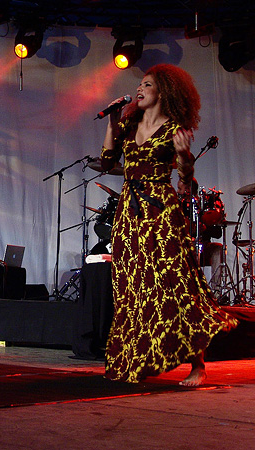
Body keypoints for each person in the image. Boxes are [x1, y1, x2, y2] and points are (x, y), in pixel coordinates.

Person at [99, 64, 237, 387]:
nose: (140, 89)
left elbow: (186, 178)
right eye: (140, 84)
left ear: (163, 93)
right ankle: (137, 358)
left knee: (174, 283)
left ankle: (198, 365)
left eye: (147, 85)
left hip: (160, 213)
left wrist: (185, 158)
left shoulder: (174, 129)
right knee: (132, 288)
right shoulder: (129, 122)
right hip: (129, 217)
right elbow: (106, 162)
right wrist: (112, 121)